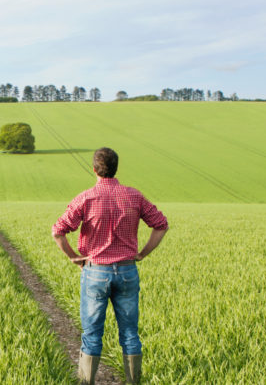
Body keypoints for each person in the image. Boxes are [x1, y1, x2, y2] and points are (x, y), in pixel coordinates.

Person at [52, 147, 169, 385]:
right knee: (130, 334)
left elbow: (58, 231)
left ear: (94, 169)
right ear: (116, 168)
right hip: (127, 270)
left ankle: (87, 383)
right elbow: (161, 225)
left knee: (92, 336)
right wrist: (143, 253)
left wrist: (74, 257)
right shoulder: (134, 196)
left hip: (95, 271)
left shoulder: (86, 198)